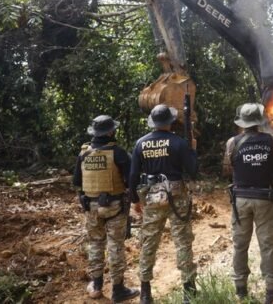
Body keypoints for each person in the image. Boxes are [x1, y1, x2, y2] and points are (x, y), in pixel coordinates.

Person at [129, 104, 198, 304]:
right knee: (183, 242)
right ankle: (189, 292)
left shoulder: (141, 143)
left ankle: (145, 293)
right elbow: (193, 170)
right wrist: (193, 149)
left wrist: (134, 200)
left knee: (148, 243)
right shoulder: (179, 142)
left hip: (152, 198)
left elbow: (133, 175)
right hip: (177, 197)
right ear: (170, 121)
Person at [73, 115, 140, 303]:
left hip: (91, 206)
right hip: (115, 206)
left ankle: (96, 286)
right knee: (115, 246)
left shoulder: (84, 153)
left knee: (95, 243)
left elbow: (77, 181)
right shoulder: (118, 153)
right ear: (110, 132)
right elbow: (131, 180)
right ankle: (118, 290)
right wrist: (134, 199)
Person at [222, 103, 273, 304]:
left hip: (240, 199)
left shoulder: (232, 143)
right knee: (268, 246)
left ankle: (240, 290)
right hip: (265, 198)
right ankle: (271, 292)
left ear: (242, 122)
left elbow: (227, 169)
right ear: (259, 121)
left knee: (240, 245)